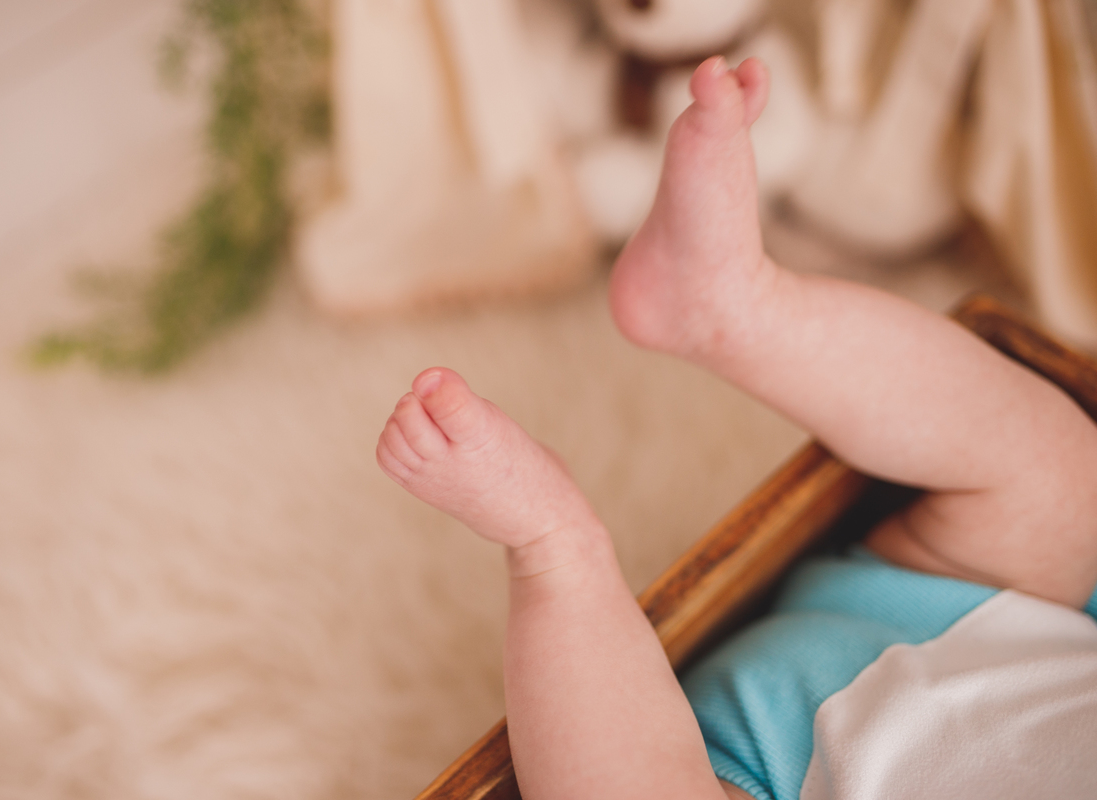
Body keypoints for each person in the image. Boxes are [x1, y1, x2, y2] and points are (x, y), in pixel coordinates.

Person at [375, 56, 1097, 800]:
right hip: (978, 607)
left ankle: (557, 551)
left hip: (749, 779)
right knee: (1065, 481)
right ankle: (732, 305)